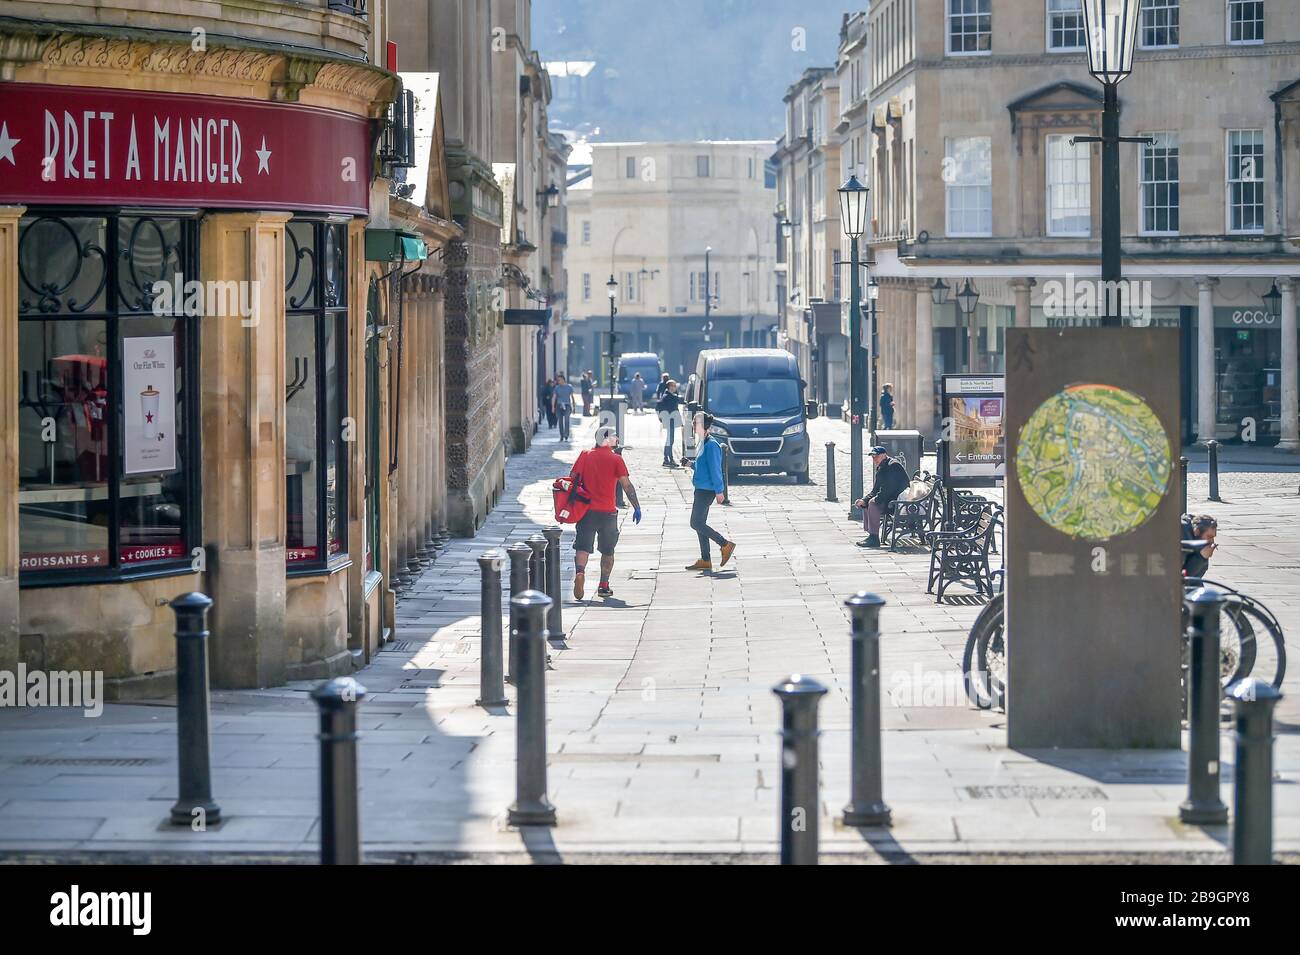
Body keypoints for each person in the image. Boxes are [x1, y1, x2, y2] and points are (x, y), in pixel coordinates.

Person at [570, 426, 641, 600]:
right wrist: (637, 507)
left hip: (586, 511)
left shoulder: (585, 456)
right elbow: (627, 486)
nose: (617, 439)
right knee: (608, 551)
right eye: (614, 436)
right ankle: (603, 585)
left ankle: (580, 573)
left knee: (583, 547)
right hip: (608, 513)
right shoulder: (616, 460)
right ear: (606, 439)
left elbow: (572, 478)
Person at [683, 412, 736, 571]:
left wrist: (720, 492)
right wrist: (690, 464)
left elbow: (715, 470)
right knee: (700, 524)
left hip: (707, 491)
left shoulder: (711, 445)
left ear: (702, 426)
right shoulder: (703, 443)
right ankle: (705, 559)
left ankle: (725, 544)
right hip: (701, 488)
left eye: (695, 423)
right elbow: (703, 467)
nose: (693, 426)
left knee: (695, 523)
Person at [853, 446, 910, 548]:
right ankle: (871, 535)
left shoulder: (893, 466)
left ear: (884, 455)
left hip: (897, 501)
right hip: (889, 498)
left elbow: (889, 489)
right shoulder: (881, 467)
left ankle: (874, 539)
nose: (874, 459)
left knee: (873, 504)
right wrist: (864, 500)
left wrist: (874, 500)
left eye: (876, 456)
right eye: (873, 457)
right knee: (866, 503)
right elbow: (875, 490)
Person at [655, 379, 683, 468]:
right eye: (674, 386)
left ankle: (667, 459)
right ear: (670, 387)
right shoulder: (668, 396)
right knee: (670, 440)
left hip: (670, 420)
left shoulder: (668, 396)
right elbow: (658, 406)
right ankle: (668, 459)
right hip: (670, 420)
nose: (675, 387)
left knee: (669, 440)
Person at [1182, 514, 1218, 578]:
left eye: (1213, 537)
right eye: (1209, 537)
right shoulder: (1184, 539)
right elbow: (1183, 578)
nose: (1212, 541)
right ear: (1197, 532)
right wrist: (1201, 557)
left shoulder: (1201, 545)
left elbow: (1197, 578)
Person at [552, 373, 575, 441]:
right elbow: (554, 397)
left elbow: (572, 397)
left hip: (567, 405)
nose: (558, 382)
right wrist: (553, 407)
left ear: (563, 380)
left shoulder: (569, 387)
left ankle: (566, 435)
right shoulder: (557, 388)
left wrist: (574, 407)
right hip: (559, 406)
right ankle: (561, 435)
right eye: (558, 380)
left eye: (559, 380)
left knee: (567, 420)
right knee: (560, 421)